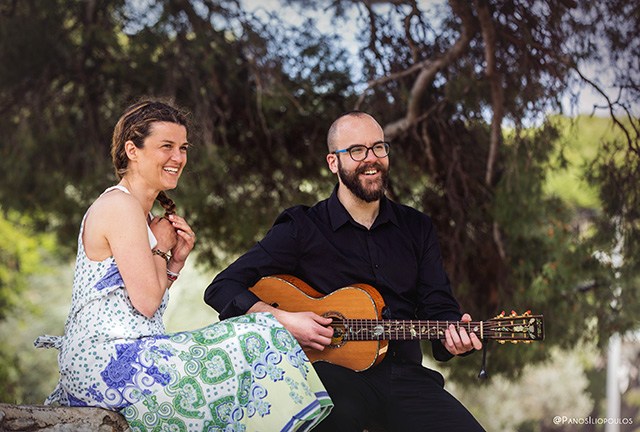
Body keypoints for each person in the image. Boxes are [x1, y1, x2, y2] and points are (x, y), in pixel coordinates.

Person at [35, 100, 333, 432]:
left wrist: (174, 262)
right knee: (257, 331)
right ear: (132, 150)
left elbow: (137, 301)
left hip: (130, 356)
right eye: (167, 146)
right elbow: (146, 303)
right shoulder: (119, 205)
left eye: (183, 148)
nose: (178, 158)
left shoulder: (141, 214)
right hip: (103, 363)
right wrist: (162, 247)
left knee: (254, 342)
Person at [204, 111, 486, 432]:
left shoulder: (417, 227)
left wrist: (454, 340)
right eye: (356, 150)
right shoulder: (302, 227)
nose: (371, 159)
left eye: (378, 147)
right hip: (332, 377)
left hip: (404, 377)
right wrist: (285, 320)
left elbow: (439, 307)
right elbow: (222, 288)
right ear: (333, 162)